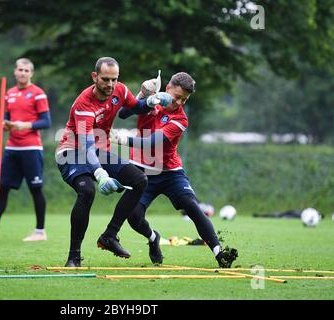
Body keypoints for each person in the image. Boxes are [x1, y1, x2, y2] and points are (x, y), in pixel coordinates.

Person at [112, 72, 238, 268]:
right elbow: (123, 113)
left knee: (192, 206)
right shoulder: (153, 100)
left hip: (171, 173)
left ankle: (219, 253)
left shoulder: (181, 119)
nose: (179, 102)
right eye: (177, 97)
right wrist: (142, 95)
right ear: (168, 88)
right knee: (134, 217)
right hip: (143, 171)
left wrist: (123, 140)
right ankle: (153, 238)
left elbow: (154, 143)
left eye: (184, 99)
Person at [56, 57, 172, 267]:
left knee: (139, 180)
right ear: (95, 77)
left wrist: (151, 101)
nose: (110, 85)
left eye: (114, 79)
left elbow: (135, 107)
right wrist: (100, 174)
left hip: (98, 150)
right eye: (105, 79)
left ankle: (109, 236)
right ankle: (74, 257)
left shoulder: (119, 90)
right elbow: (87, 147)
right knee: (88, 191)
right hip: (72, 152)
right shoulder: (84, 104)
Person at [0, 58, 51, 242]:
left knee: (35, 189)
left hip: (31, 148)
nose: (22, 73)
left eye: (26, 70)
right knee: (2, 188)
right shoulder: (9, 93)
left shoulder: (38, 93)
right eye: (19, 70)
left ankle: (40, 232)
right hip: (11, 148)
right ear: (15, 71)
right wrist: (6, 125)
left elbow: (46, 122)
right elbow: (7, 118)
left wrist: (25, 125)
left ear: (31, 73)